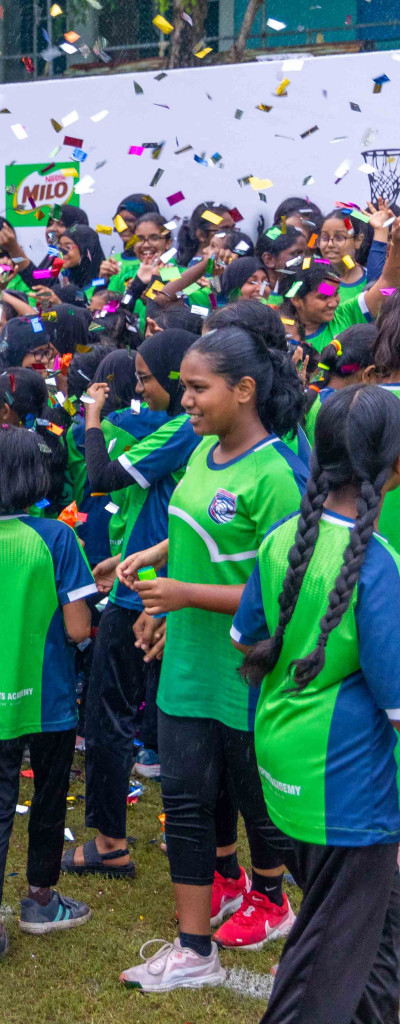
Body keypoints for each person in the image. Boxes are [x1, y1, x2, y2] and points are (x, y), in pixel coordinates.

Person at [118, 325, 309, 991]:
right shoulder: (204, 450)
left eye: (198, 388)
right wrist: (157, 567)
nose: (186, 400)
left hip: (249, 678)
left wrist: (184, 594)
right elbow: (205, 531)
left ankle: (317, 927)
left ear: (245, 390)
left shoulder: (280, 475)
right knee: (188, 802)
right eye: (184, 387)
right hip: (188, 667)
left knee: (270, 816)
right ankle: (194, 947)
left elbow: (285, 592)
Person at [235, 385, 400, 1024]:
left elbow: (246, 641)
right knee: (320, 971)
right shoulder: (377, 567)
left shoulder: (283, 540)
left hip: (286, 766)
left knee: (377, 937)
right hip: (350, 794)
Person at [0, 427, 97, 968]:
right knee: (49, 796)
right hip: (49, 695)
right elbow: (79, 628)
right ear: (34, 477)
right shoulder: (56, 538)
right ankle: (40, 898)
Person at [66, 329, 199, 873]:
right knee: (176, 717)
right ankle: (193, 838)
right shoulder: (194, 432)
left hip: (149, 593)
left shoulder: (178, 431)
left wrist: (94, 415)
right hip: (153, 577)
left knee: (110, 715)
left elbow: (100, 475)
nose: (140, 389)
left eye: (146, 378)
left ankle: (109, 843)